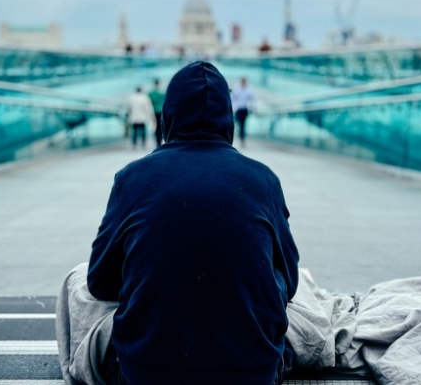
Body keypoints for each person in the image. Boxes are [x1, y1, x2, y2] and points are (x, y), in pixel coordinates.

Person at [88, 61, 299, 385]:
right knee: (276, 278)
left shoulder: (131, 178)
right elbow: (291, 282)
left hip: (145, 375)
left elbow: (98, 281)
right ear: (228, 118)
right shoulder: (264, 179)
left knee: (75, 283)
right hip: (253, 374)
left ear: (167, 116)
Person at [230, 77, 255, 145]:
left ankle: (241, 138)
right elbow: (232, 98)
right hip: (238, 109)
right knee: (235, 123)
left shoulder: (249, 89)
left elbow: (252, 99)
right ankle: (235, 136)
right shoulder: (236, 88)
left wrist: (253, 108)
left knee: (242, 124)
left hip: (244, 109)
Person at [147, 78, 166, 147]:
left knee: (155, 126)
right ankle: (159, 140)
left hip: (153, 111)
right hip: (161, 111)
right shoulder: (162, 93)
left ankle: (156, 141)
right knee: (160, 127)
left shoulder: (150, 93)